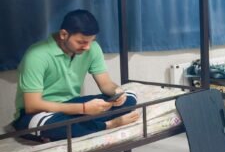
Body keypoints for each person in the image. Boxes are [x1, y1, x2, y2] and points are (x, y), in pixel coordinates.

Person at [13, 9, 139, 141]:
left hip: (72, 104)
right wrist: (83, 109)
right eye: (81, 42)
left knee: (130, 97)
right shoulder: (36, 55)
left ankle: (80, 125)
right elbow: (32, 106)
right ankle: (108, 124)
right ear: (63, 34)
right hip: (39, 113)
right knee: (51, 125)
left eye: (91, 41)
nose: (87, 47)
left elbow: (105, 84)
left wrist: (116, 92)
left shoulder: (92, 48)